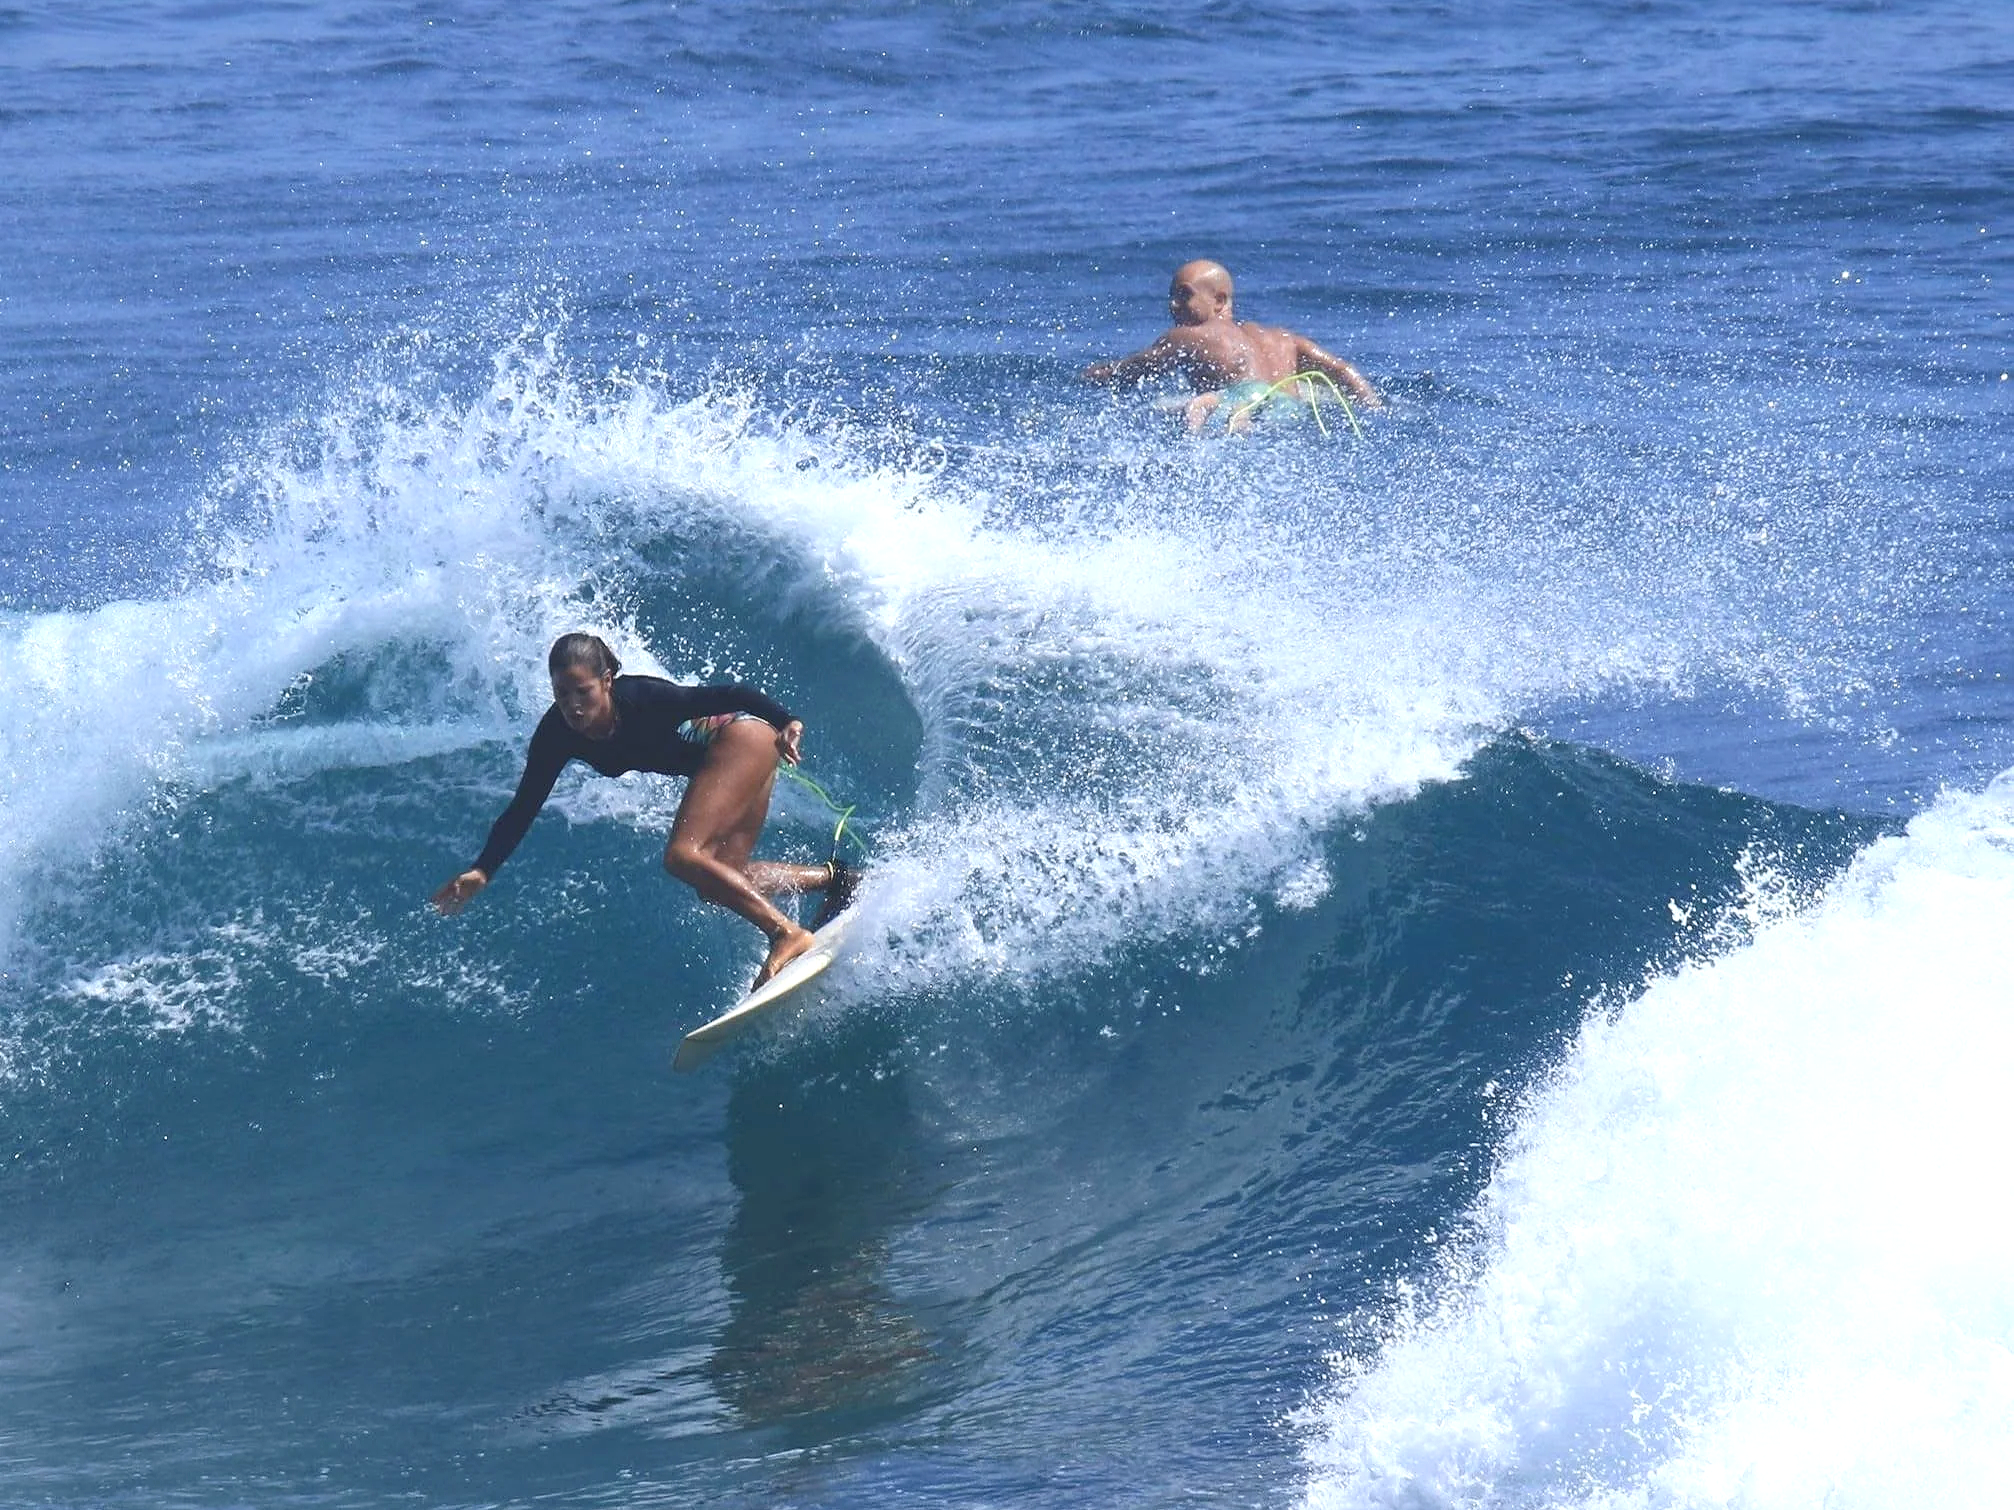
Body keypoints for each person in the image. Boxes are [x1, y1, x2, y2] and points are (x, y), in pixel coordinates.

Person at [431, 633, 856, 987]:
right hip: (731, 759)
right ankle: (838, 879)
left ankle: (786, 933)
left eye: (584, 692)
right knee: (719, 883)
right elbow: (524, 805)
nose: (574, 705)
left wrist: (787, 719)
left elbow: (728, 695)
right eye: (562, 694)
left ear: (607, 681)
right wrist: (484, 869)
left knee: (681, 855)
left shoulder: (642, 697)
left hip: (744, 740)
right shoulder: (557, 734)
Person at [1082, 259, 1384, 431]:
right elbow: (1343, 370)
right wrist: (1375, 410)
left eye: (1184, 295)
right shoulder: (1282, 339)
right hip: (1290, 413)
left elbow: (1137, 369)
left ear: (1219, 301)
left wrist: (1099, 375)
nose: (1173, 305)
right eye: (1172, 296)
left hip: (1241, 401)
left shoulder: (1191, 336)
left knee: (1176, 412)